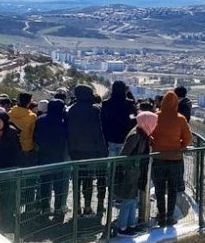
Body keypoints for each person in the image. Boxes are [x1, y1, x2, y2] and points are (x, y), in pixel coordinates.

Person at [150, 91, 193, 227]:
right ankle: (170, 216)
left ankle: (161, 215)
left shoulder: (156, 117)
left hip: (158, 158)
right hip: (175, 159)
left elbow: (149, 135)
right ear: (176, 104)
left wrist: (155, 144)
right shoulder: (180, 119)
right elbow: (189, 139)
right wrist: (179, 146)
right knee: (173, 189)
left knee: (159, 188)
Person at [67, 84, 108, 216]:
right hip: (91, 152)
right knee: (88, 181)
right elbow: (98, 132)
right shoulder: (94, 110)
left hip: (75, 151)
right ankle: (87, 207)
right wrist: (103, 151)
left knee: (77, 180)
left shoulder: (71, 110)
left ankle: (77, 207)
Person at [117, 111, 157, 236]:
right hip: (130, 173)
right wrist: (130, 168)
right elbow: (124, 155)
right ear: (147, 123)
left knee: (133, 200)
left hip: (135, 172)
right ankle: (122, 228)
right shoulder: (135, 135)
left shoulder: (142, 134)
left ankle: (131, 225)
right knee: (128, 200)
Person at [34, 98, 69, 218]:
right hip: (59, 156)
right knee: (59, 184)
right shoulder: (63, 120)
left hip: (44, 155)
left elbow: (36, 136)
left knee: (45, 183)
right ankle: (58, 208)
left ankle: (45, 207)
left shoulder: (40, 119)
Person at [101, 80, 136, 157]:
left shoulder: (106, 103)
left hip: (110, 137)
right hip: (125, 137)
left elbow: (103, 121)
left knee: (111, 160)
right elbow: (133, 120)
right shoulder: (130, 104)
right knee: (123, 160)